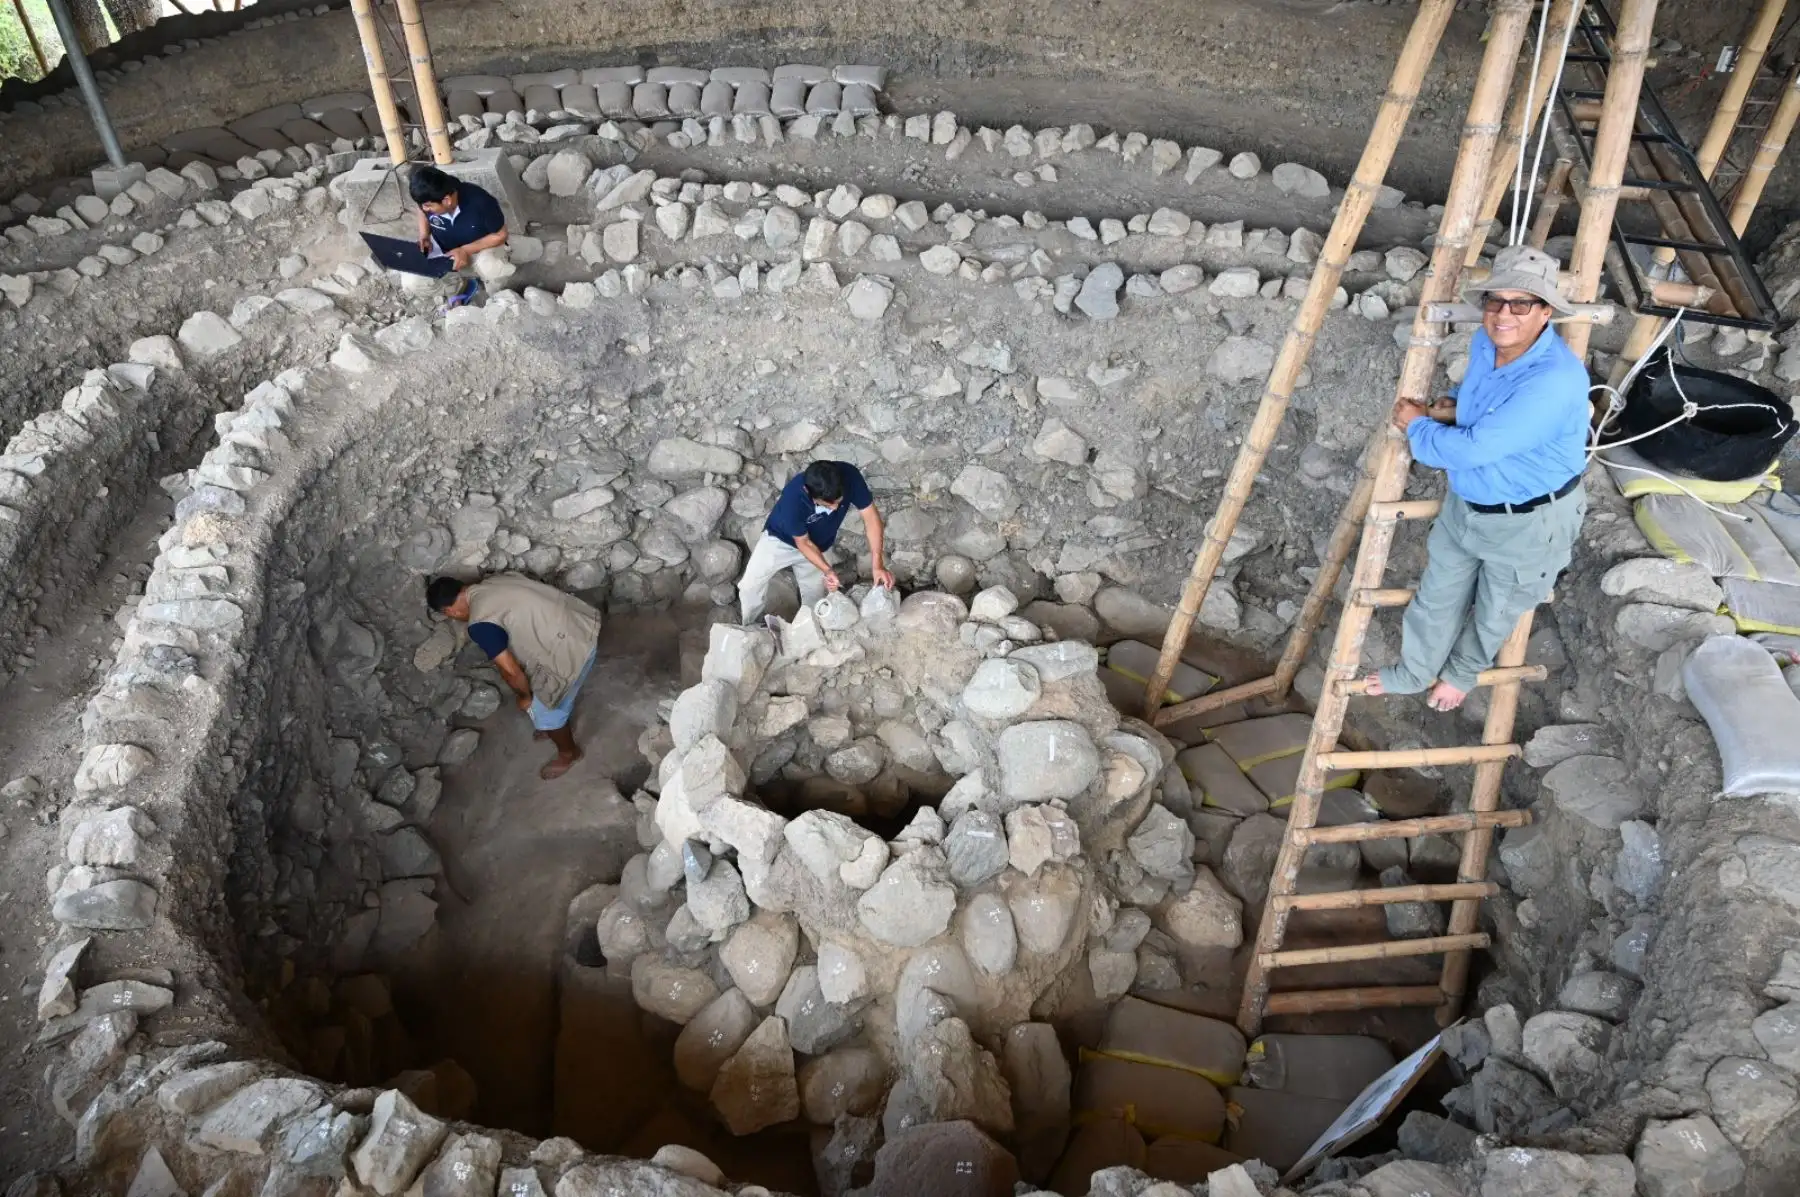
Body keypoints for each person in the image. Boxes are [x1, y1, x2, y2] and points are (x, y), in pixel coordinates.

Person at [1366, 244, 1590, 712]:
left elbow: (1473, 449)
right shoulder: (1488, 343)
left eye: (1521, 303)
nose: (1504, 314)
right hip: (1468, 505)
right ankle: (1413, 672)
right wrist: (1448, 405)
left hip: (1528, 521)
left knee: (1497, 607)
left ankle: (1460, 675)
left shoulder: (1552, 381)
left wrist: (1418, 425)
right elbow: (1472, 394)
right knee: (1436, 595)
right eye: (1495, 301)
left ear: (1546, 312)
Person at [426, 573, 600, 780]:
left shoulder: (480, 622)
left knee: (543, 707)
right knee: (536, 687)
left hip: (576, 649)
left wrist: (526, 697)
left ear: (449, 611)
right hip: (584, 621)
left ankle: (568, 752)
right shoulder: (497, 580)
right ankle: (549, 726)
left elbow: (510, 670)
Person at [738, 460, 895, 625]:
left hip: (818, 545)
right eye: (829, 504)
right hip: (779, 540)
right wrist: (827, 570)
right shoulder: (793, 499)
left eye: (839, 502)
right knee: (750, 585)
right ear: (809, 492)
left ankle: (806, 632)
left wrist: (877, 565)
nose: (835, 508)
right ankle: (749, 627)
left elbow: (870, 517)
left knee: (816, 602)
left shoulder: (849, 476)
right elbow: (803, 543)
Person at [410, 165, 508, 311]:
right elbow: (420, 210)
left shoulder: (480, 201)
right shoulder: (429, 199)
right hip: (447, 253)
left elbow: (500, 235)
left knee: (491, 267)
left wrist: (465, 250)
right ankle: (458, 287)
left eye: (428, 206)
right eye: (423, 205)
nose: (425, 210)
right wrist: (424, 235)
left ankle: (496, 298)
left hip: (480, 250)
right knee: (412, 280)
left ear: (447, 200)